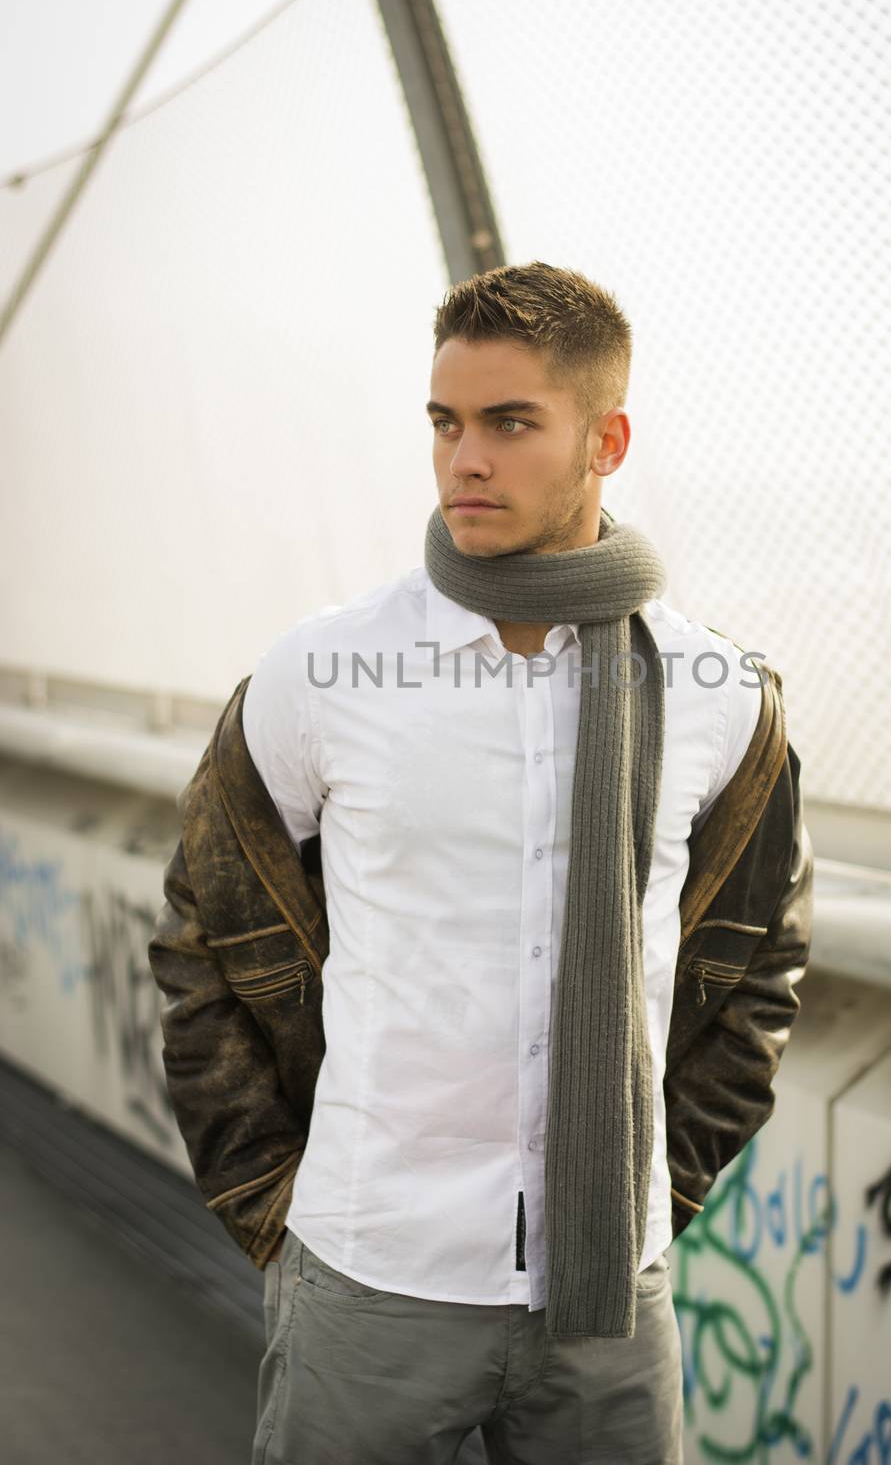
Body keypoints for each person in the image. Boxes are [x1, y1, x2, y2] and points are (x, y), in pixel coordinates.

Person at [149, 260, 813, 1465]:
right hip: (369, 1268)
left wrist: (652, 1198)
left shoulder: (717, 693)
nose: (466, 458)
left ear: (604, 438)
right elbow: (203, 929)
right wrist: (272, 1205)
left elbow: (759, 963)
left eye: (511, 423)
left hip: (611, 1300)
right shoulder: (323, 671)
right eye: (447, 423)